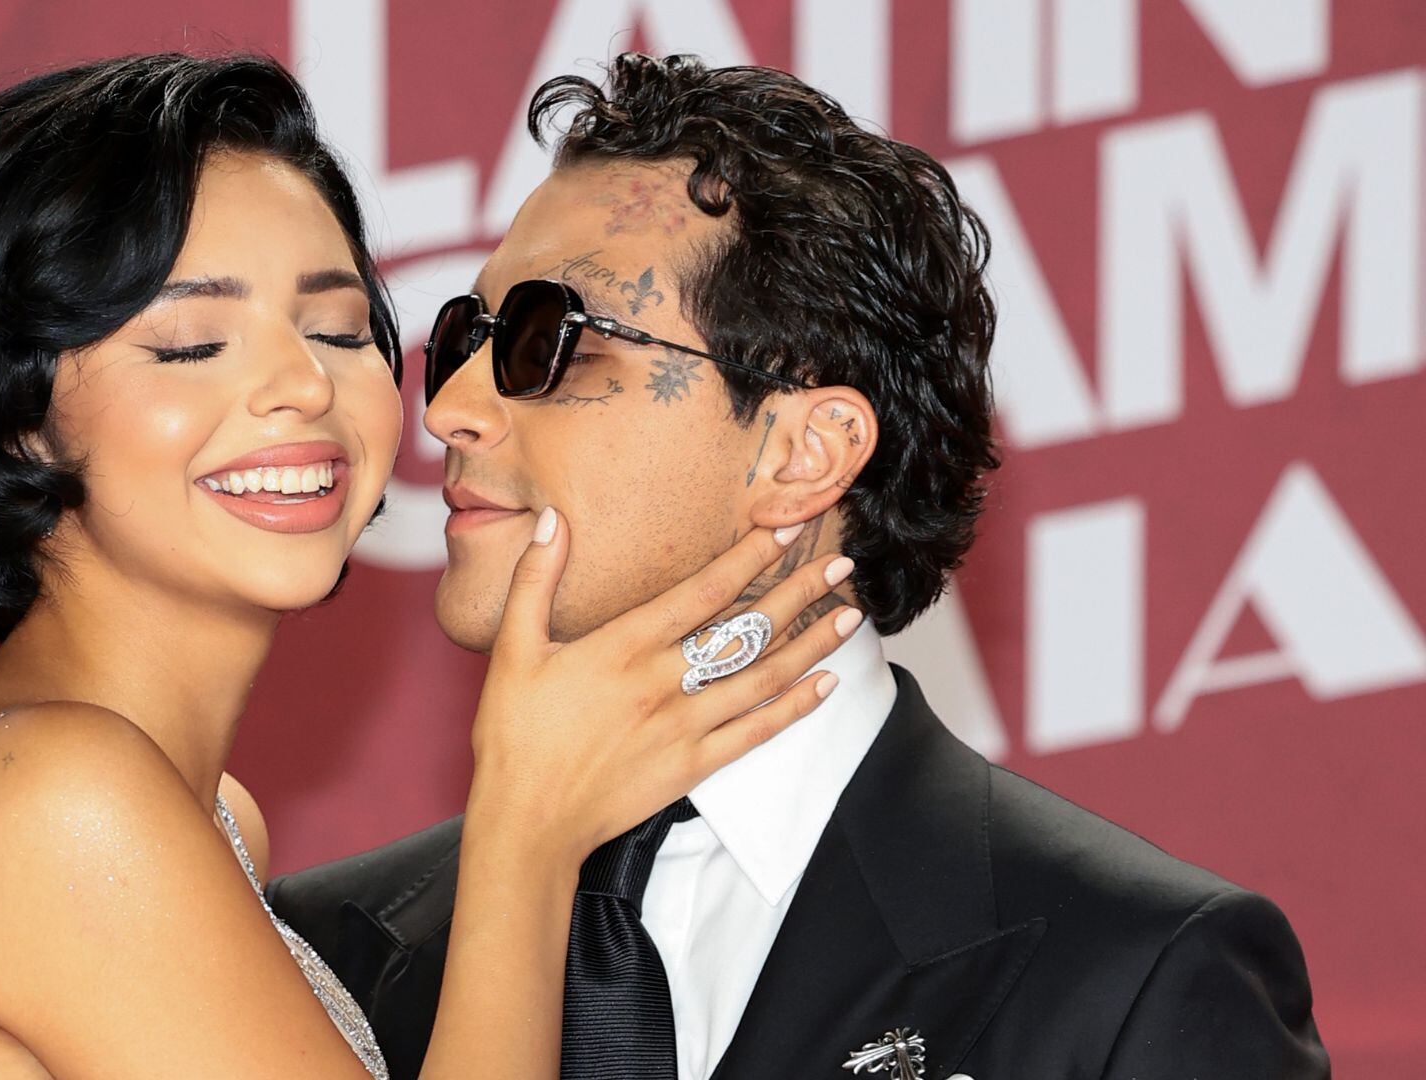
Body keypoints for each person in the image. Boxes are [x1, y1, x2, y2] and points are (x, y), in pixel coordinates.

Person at [268, 53, 1331, 1080]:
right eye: (468, 335)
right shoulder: (315, 954)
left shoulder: (1132, 973)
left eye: (549, 341)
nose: (447, 408)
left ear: (803, 452)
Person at [0, 53, 856, 1079]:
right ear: (13, 420)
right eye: (190, 344)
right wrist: (525, 834)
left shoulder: (202, 809)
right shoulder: (60, 800)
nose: (303, 386)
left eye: (337, 327)